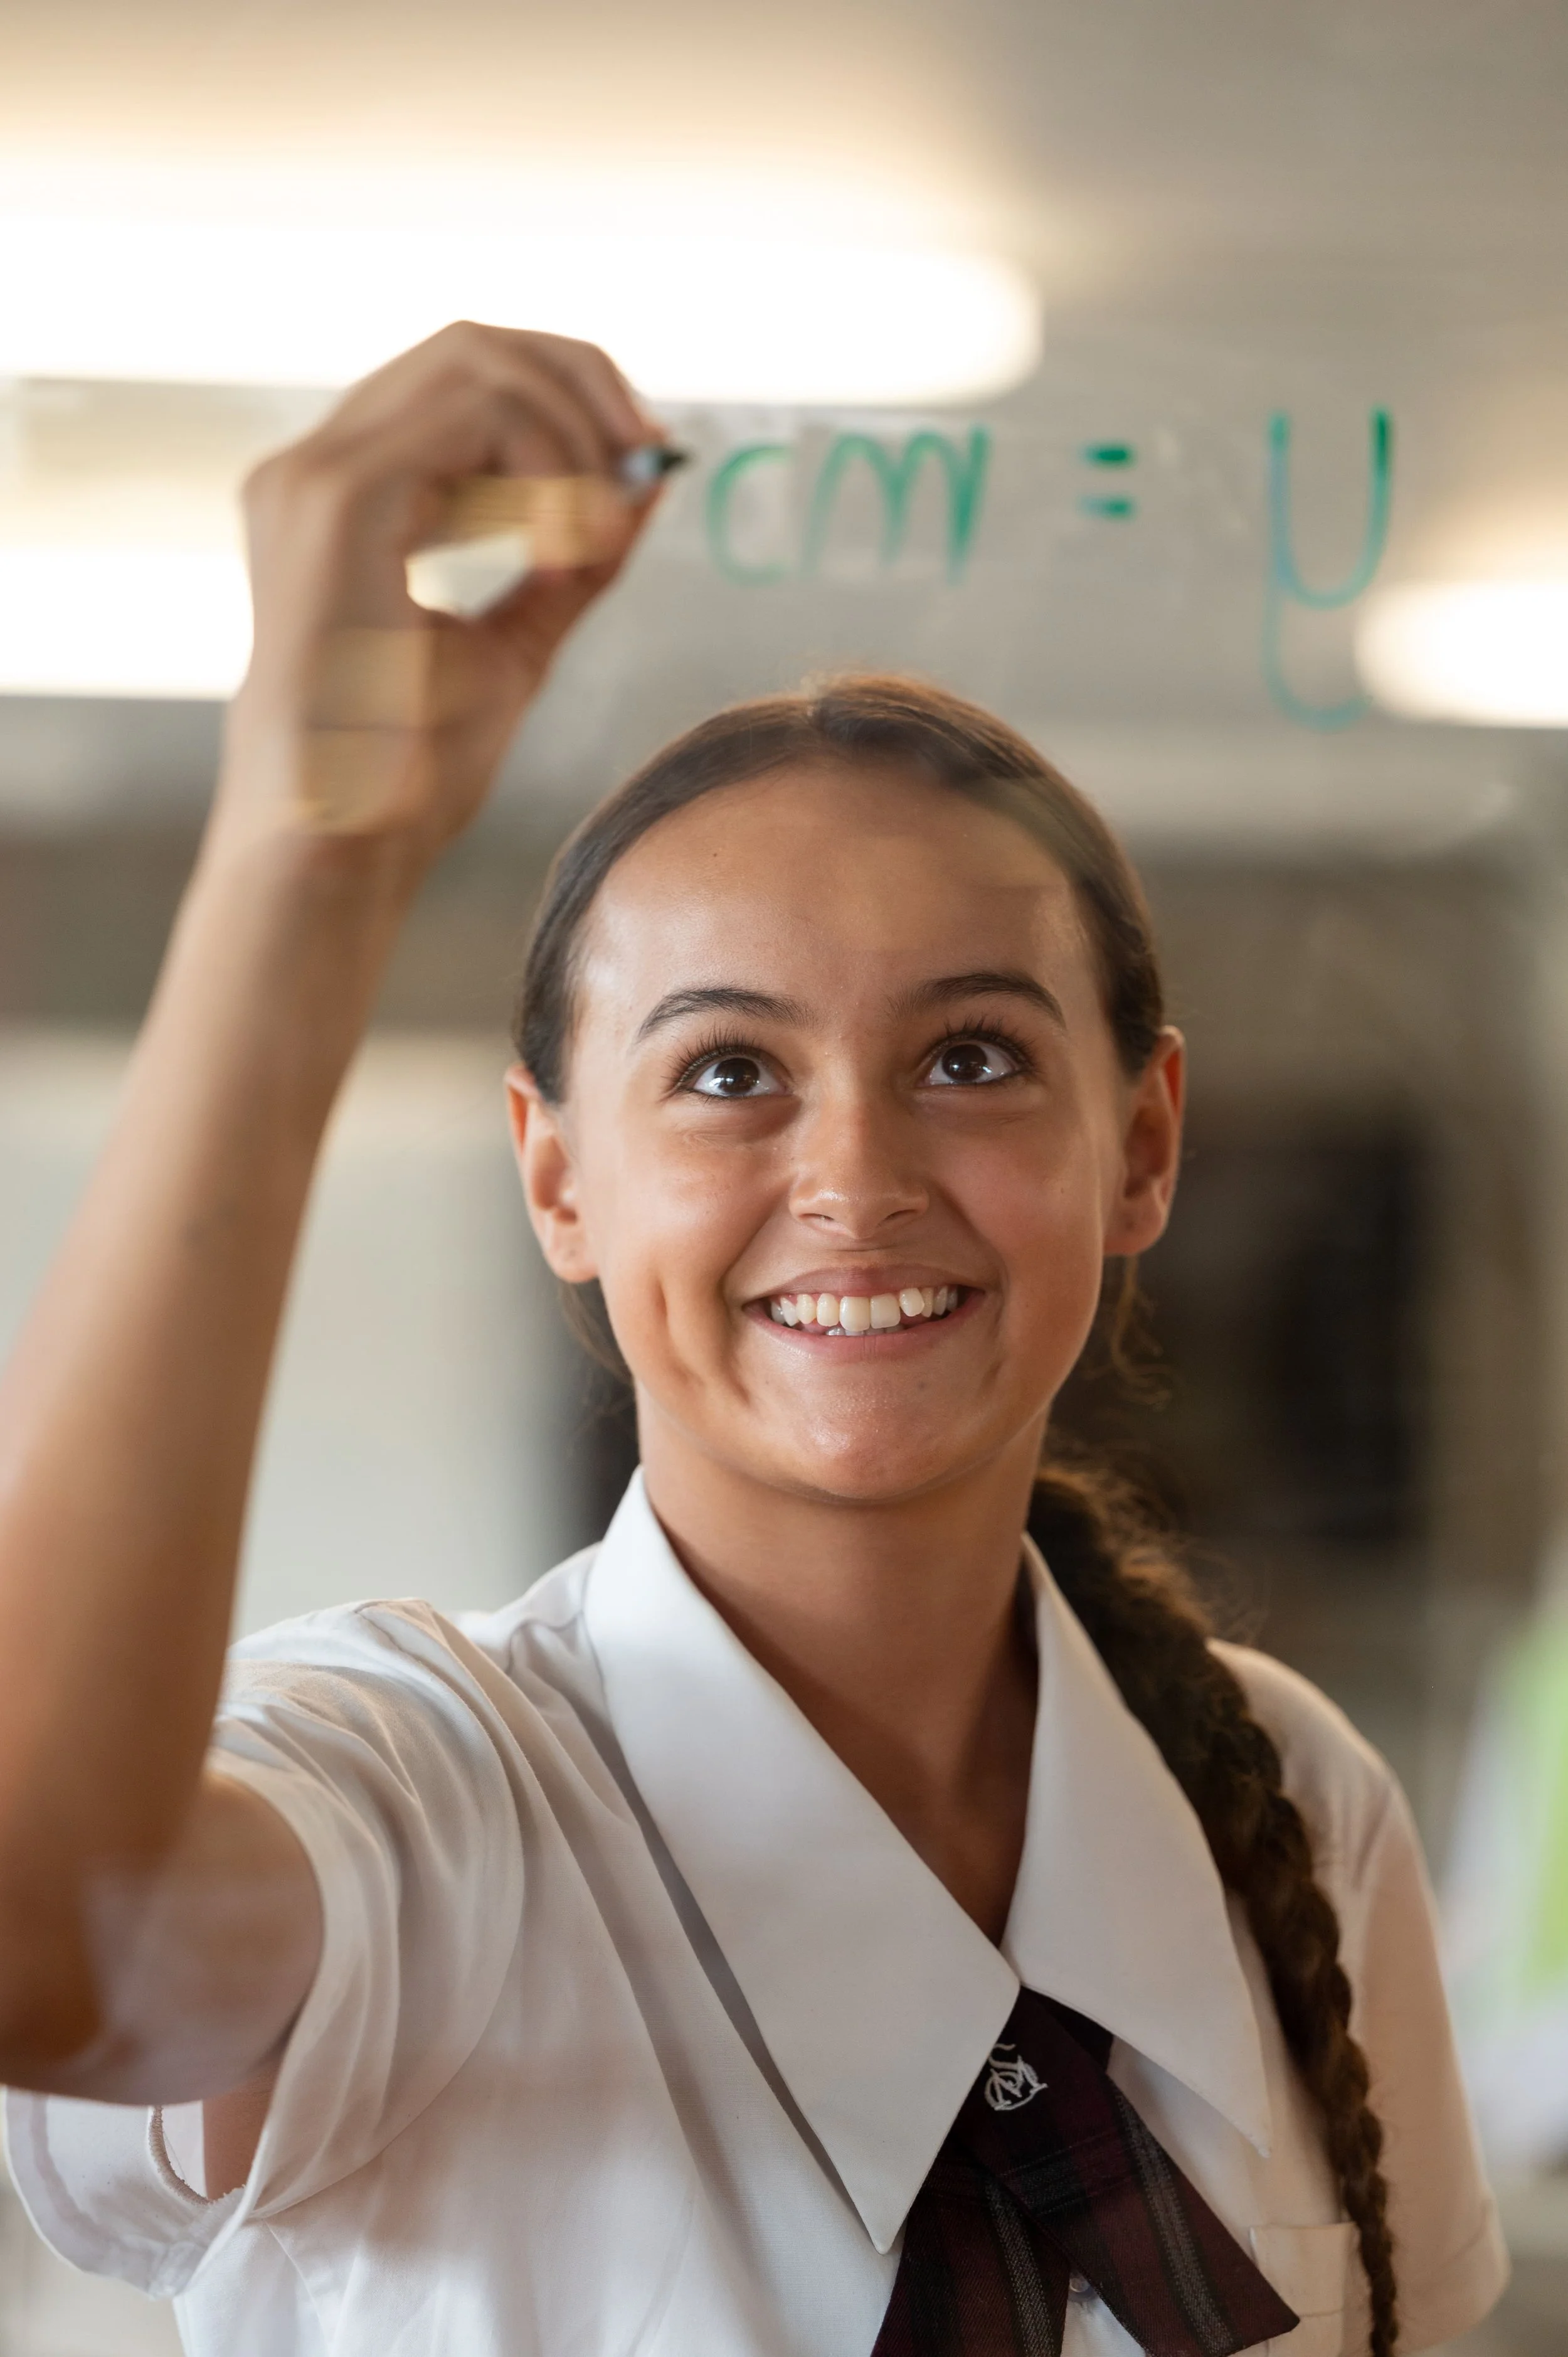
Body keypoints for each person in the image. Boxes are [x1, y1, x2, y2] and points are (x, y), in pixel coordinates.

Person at [0, 325, 1507, 2357]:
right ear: (557, 1179)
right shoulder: (427, 1799)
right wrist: (309, 862)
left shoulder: (1294, 1800)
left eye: (969, 1054)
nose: (856, 1173)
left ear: (1140, 1139)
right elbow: (43, 1934)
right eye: (726, 1071)